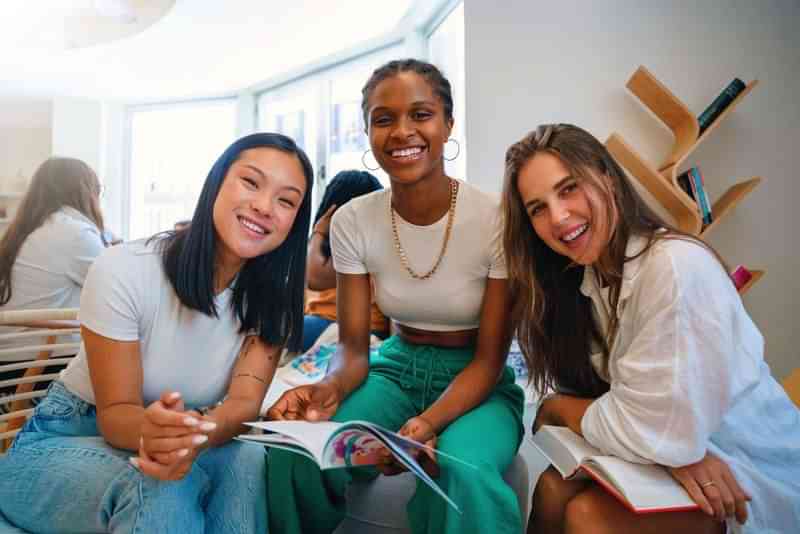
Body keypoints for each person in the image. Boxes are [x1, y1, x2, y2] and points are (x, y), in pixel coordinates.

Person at [0, 133, 314, 533]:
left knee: (247, 458)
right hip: (63, 439)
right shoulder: (125, 268)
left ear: (294, 222)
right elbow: (116, 417)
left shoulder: (271, 300)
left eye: (286, 201)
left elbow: (243, 403)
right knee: (162, 484)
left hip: (184, 429)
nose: (264, 207)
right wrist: (171, 436)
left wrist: (194, 434)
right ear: (216, 182)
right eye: (250, 182)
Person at [266, 59, 526, 534]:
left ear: (448, 123)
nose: (402, 131)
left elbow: (489, 362)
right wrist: (331, 388)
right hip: (394, 368)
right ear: (367, 132)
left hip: (476, 379)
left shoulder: (496, 219)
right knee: (296, 450)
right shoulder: (352, 221)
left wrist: (427, 423)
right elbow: (352, 350)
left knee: (462, 468)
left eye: (421, 114)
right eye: (383, 119)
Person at [501, 123, 800, 534]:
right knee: (553, 487)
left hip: (744, 471)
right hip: (683, 455)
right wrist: (666, 450)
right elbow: (648, 424)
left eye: (568, 188)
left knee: (587, 517)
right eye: (537, 208)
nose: (558, 217)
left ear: (606, 176)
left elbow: (651, 429)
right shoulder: (591, 281)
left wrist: (558, 408)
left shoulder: (674, 266)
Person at [0, 157, 107, 318]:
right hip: (46, 340)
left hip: (17, 339)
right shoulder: (76, 234)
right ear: (86, 193)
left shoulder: (30, 228)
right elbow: (117, 287)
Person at [302, 169, 388, 352]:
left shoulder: (365, 247)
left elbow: (314, 278)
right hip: (326, 322)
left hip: (354, 327)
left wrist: (319, 231)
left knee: (271, 329)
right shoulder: (333, 245)